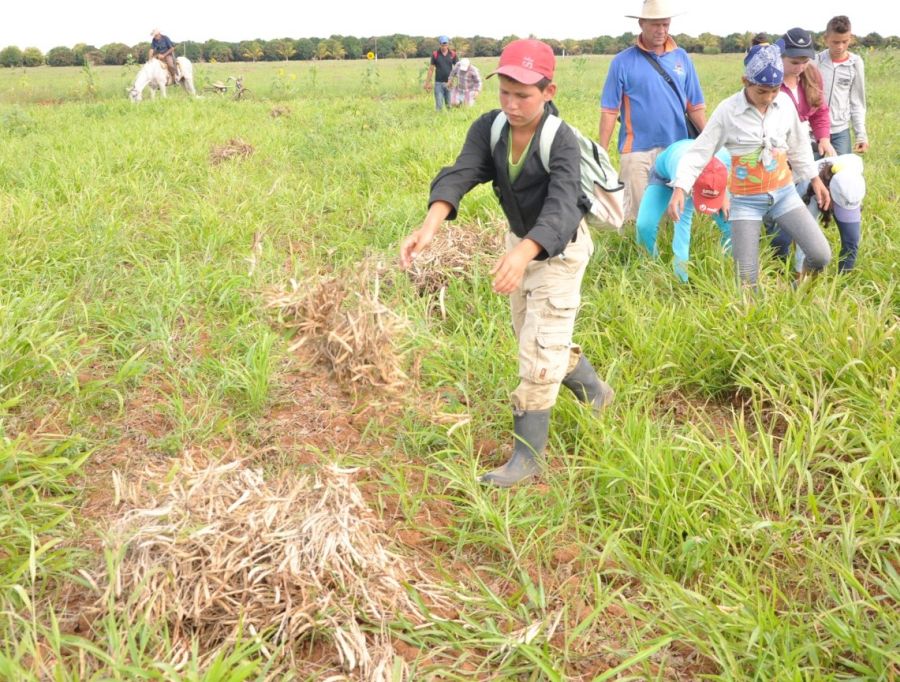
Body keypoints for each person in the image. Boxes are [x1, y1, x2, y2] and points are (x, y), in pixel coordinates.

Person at [400, 39, 613, 487]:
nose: (513, 105)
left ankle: (527, 459)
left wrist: (522, 252)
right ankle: (596, 391)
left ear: (549, 91)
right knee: (530, 336)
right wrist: (430, 225)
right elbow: (463, 171)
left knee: (537, 351)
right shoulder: (489, 128)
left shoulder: (562, 142)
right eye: (506, 93)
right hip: (520, 244)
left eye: (525, 95)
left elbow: (561, 208)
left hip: (560, 251)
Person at [667, 44, 832, 289]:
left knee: (820, 255)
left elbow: (798, 145)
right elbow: (700, 152)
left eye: (774, 91)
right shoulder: (728, 111)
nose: (768, 98)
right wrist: (680, 188)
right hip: (745, 202)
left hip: (784, 194)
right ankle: (753, 321)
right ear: (746, 81)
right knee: (746, 279)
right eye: (762, 91)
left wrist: (815, 179)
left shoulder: (785, 104)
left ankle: (797, 294)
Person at [599, 0, 707, 221]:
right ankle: (639, 255)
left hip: (676, 147)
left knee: (673, 212)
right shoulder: (622, 61)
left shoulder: (682, 58)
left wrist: (708, 141)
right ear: (641, 24)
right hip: (636, 149)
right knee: (638, 216)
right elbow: (610, 110)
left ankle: (667, 255)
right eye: (655, 25)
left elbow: (694, 105)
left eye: (665, 24)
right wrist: (601, 151)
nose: (661, 30)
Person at [766, 28, 834, 269]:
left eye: (805, 61)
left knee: (804, 202)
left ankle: (799, 259)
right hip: (777, 153)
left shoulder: (812, 74)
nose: (800, 67)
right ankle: (777, 261)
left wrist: (824, 138)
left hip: (807, 149)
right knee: (777, 209)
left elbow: (820, 110)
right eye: (794, 62)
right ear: (779, 57)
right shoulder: (767, 79)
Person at [635, 139, 731, 282]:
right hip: (666, 175)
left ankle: (728, 267)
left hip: (707, 176)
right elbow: (682, 234)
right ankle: (650, 267)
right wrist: (681, 281)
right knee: (644, 225)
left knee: (730, 221)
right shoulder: (683, 178)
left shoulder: (727, 158)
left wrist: (722, 193)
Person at [801, 154, 865, 272]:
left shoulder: (856, 165)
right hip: (816, 190)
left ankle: (844, 279)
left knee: (851, 240)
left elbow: (852, 243)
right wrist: (800, 273)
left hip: (844, 193)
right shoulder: (809, 185)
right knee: (799, 236)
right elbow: (803, 238)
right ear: (829, 191)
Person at [816, 16, 868, 155]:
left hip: (840, 130)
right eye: (835, 42)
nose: (840, 47)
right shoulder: (815, 62)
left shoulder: (855, 63)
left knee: (843, 173)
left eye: (845, 42)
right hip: (814, 130)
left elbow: (857, 101)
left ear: (851, 38)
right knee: (812, 174)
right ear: (826, 38)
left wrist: (861, 134)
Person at [424, 36, 458, 111]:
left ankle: (450, 121)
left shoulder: (453, 54)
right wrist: (427, 82)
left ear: (448, 44)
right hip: (438, 83)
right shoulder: (435, 54)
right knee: (439, 105)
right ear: (440, 44)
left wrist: (453, 81)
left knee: (449, 105)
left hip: (449, 83)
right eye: (443, 44)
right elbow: (431, 69)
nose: (444, 46)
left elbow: (457, 69)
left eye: (446, 44)